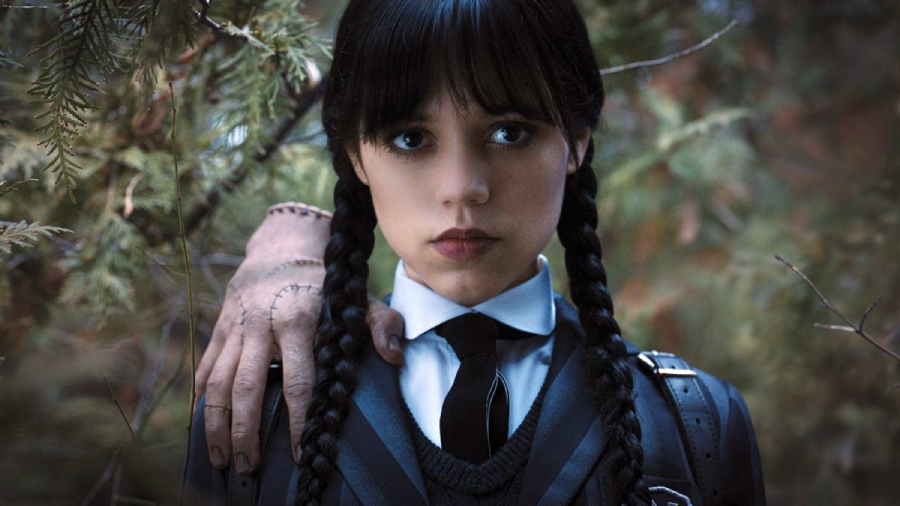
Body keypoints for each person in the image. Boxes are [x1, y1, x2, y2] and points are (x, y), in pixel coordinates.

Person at [187, 0, 766, 504]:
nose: (462, 187)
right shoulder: (251, 414)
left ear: (577, 142)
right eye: (411, 139)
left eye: (509, 132)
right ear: (356, 158)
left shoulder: (697, 425)